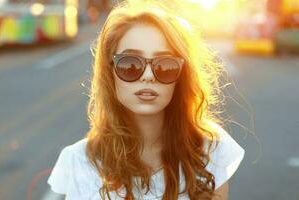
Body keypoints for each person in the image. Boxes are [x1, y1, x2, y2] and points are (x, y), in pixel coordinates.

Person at [47, 0, 245, 199]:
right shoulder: (78, 160)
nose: (148, 76)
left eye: (165, 66)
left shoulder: (212, 151)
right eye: (130, 64)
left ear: (181, 76)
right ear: (110, 72)